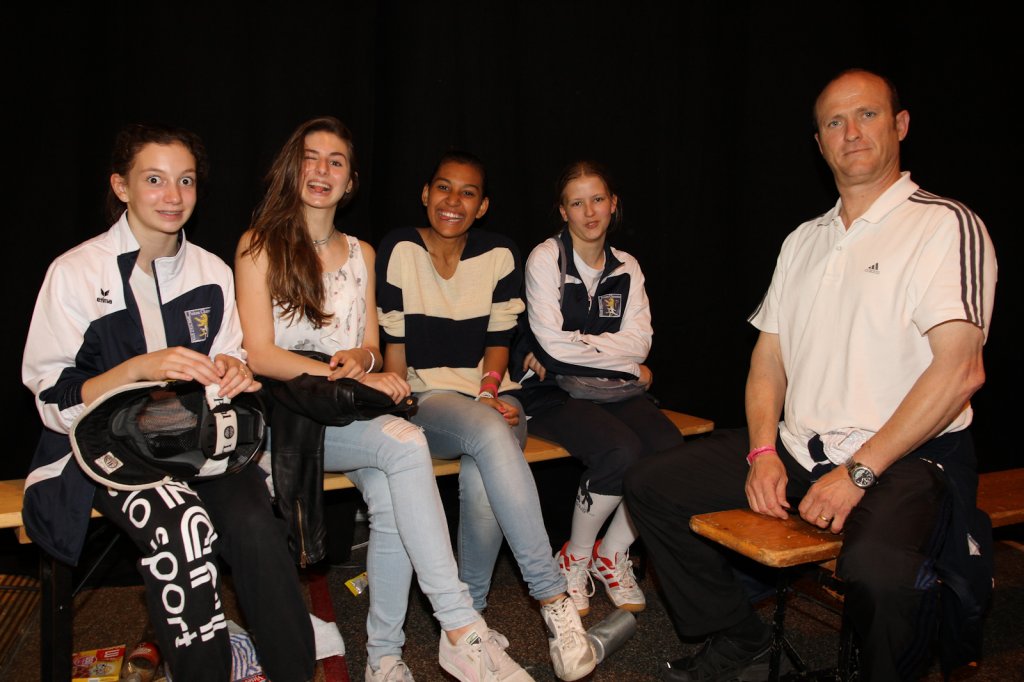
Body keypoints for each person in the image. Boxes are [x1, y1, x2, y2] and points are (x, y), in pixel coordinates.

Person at [624, 68, 997, 682]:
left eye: (867, 115)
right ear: (819, 143)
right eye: (834, 122)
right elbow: (767, 361)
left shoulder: (944, 225)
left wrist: (859, 472)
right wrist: (762, 452)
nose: (851, 132)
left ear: (901, 125)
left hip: (907, 458)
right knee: (650, 484)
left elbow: (960, 371)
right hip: (803, 449)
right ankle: (740, 636)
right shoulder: (803, 240)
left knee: (880, 572)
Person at [234, 117, 531, 682]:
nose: (322, 170)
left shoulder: (363, 253)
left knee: (394, 499)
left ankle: (385, 658)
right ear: (293, 167)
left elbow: (373, 348)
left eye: (337, 161)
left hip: (345, 412)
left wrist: (362, 362)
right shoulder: (258, 245)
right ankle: (460, 626)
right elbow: (262, 355)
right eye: (312, 157)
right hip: (287, 416)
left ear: (351, 182)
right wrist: (339, 373)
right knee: (406, 443)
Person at [21, 123, 315, 682]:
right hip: (100, 449)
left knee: (257, 524)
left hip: (190, 441)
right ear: (122, 186)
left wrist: (233, 371)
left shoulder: (210, 271)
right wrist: (136, 370)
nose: (173, 196)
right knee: (181, 521)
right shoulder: (75, 272)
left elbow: (232, 357)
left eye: (186, 180)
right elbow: (53, 400)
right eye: (154, 179)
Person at [376, 150, 596, 681]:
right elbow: (394, 349)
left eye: (468, 192)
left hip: (495, 395)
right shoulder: (399, 249)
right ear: (425, 194)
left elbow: (500, 341)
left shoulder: (499, 253)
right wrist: (399, 405)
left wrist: (489, 390)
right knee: (487, 429)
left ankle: (468, 618)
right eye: (443, 188)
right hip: (428, 400)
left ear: (483, 205)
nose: (453, 201)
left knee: (484, 468)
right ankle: (553, 598)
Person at [514, 160, 685, 616]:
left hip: (612, 389)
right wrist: (625, 362)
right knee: (619, 451)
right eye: (577, 203)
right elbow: (550, 347)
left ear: (613, 204)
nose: (589, 212)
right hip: (551, 390)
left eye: (597, 199)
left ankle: (612, 553)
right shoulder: (546, 258)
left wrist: (583, 348)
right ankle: (575, 556)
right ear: (563, 211)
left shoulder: (627, 266)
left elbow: (641, 341)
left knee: (668, 451)